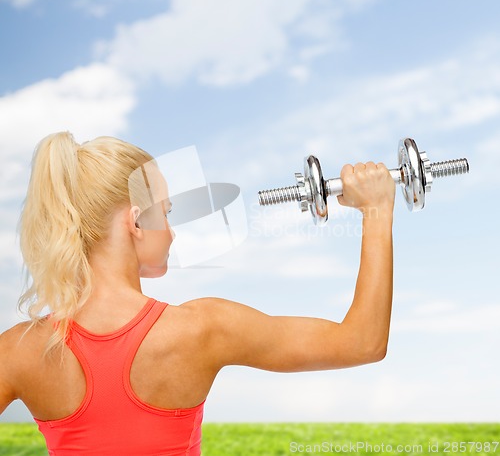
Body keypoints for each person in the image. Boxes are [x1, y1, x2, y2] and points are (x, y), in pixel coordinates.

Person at [0, 131, 395, 455]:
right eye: (167, 212)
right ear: (136, 223)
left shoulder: (21, 350)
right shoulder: (202, 328)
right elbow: (363, 342)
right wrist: (376, 211)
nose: (171, 231)